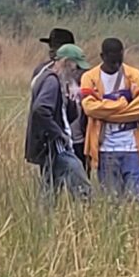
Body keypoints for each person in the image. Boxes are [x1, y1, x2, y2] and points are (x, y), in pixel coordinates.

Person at [80, 37, 139, 202]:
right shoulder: (89, 78)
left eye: (119, 61)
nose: (116, 65)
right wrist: (122, 104)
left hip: (133, 149)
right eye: (112, 62)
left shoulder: (134, 76)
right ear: (102, 56)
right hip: (105, 150)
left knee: (135, 201)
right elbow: (89, 108)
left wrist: (105, 112)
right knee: (111, 202)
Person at [26, 41, 92, 207]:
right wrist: (59, 134)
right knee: (83, 188)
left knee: (49, 192)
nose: (76, 72)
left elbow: (63, 113)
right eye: (75, 67)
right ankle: (88, 222)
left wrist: (69, 101)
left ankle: (45, 225)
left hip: (48, 149)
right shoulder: (52, 82)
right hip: (57, 147)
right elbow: (40, 110)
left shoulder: (50, 78)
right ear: (66, 62)